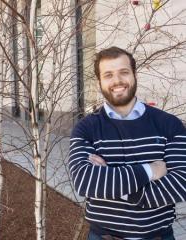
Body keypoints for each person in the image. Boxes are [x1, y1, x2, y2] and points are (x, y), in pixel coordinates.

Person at [69, 46, 186, 240]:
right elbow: (85, 182)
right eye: (108, 75)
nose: (117, 81)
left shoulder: (169, 125)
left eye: (124, 72)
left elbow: (180, 185)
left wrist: (110, 181)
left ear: (134, 75)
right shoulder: (86, 128)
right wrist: (150, 171)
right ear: (99, 81)